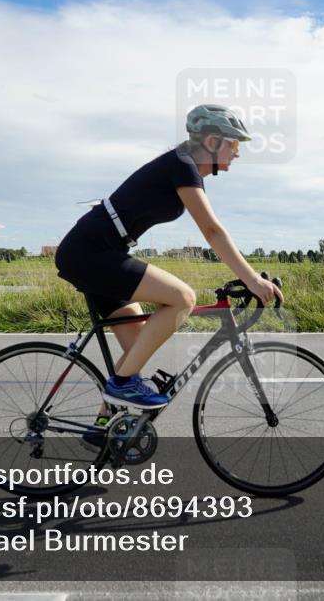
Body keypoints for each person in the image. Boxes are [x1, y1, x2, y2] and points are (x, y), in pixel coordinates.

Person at [54, 104, 284, 428]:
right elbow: (212, 231)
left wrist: (249, 276)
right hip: (90, 253)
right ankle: (120, 388)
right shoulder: (183, 164)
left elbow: (212, 232)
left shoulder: (182, 166)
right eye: (233, 144)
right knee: (183, 298)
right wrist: (251, 280)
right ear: (213, 141)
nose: (237, 153)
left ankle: (104, 427)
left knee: (135, 353)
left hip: (101, 252)